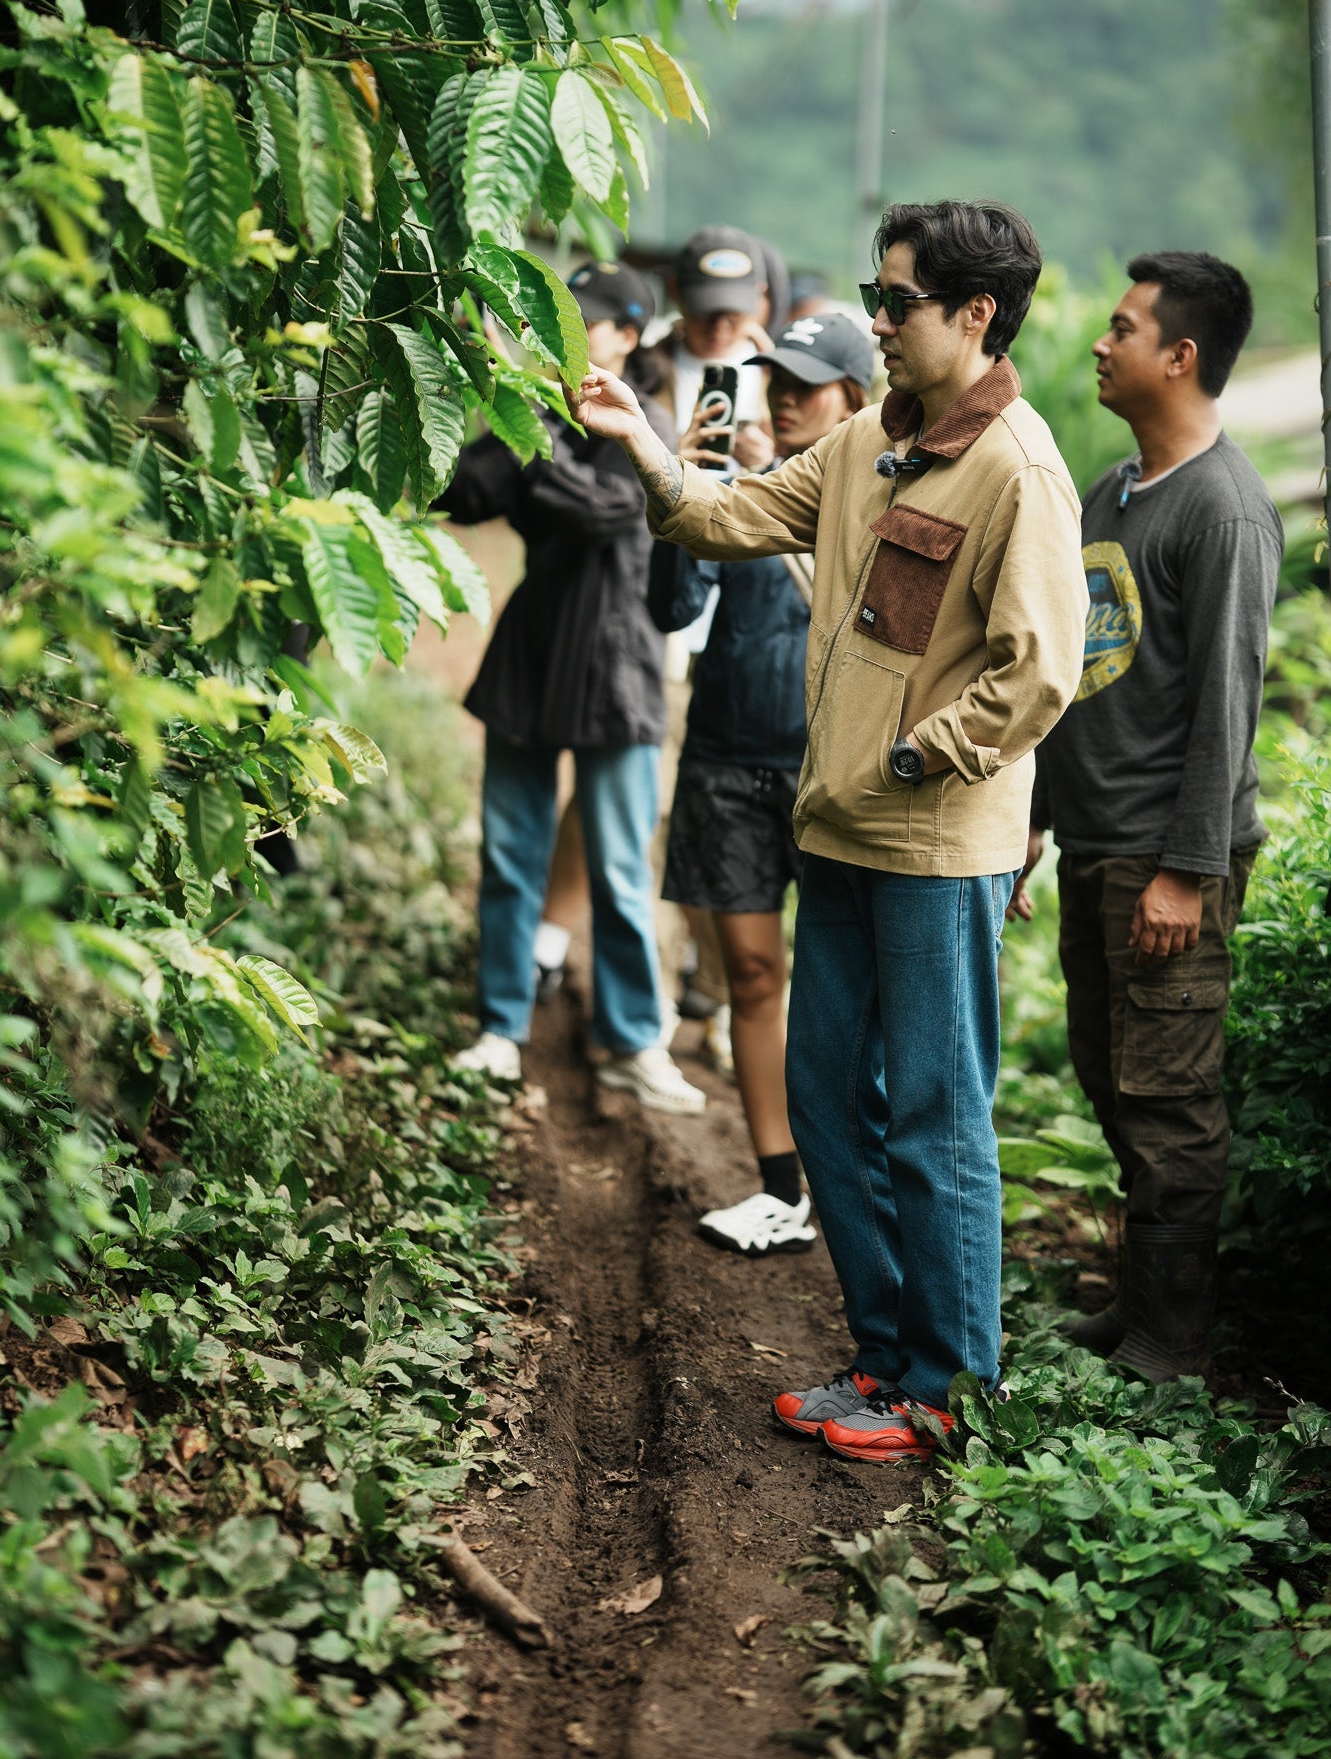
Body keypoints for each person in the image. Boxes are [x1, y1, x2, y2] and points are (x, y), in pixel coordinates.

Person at [573, 199, 1087, 1463]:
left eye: (897, 301)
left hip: (934, 846)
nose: (878, 320)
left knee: (934, 1114)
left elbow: (1039, 669)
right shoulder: (866, 444)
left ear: (975, 314)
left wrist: (916, 754)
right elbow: (725, 516)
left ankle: (948, 1387)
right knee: (824, 1096)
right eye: (877, 295)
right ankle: (885, 1353)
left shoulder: (1017, 469)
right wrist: (641, 442)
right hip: (840, 832)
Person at [1010, 252, 1283, 1382]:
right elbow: (1071, 671)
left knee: (1169, 1098)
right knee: (1108, 1072)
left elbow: (1227, 704)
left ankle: (1171, 1339)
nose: (1098, 341)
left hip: (1166, 861)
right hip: (1096, 844)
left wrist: (1185, 870)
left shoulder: (1225, 510)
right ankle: (1137, 1303)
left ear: (1179, 355)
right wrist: (1032, 817)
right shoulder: (1115, 490)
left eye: (1121, 328)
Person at [442, 258, 706, 1115]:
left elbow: (602, 509)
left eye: (581, 318)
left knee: (621, 870)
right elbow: (461, 489)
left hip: (615, 669)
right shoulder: (536, 412)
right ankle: (498, 1028)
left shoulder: (646, 422)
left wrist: (527, 437)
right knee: (508, 856)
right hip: (531, 656)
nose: (560, 332)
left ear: (627, 336)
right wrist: (454, 385)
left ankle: (633, 1043)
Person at [650, 314, 876, 1257]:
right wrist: (678, 481)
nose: (783, 399)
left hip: (832, 777)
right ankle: (781, 1190)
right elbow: (671, 608)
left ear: (855, 398)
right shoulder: (738, 492)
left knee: (842, 992)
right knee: (750, 974)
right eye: (774, 380)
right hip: (725, 763)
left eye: (805, 385)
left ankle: (857, 1188)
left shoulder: (882, 493)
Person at [642, 225, 775, 438]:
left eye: (734, 315)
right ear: (675, 290)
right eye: (705, 312)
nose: (719, 327)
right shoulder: (643, 371)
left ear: (760, 296)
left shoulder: (778, 376)